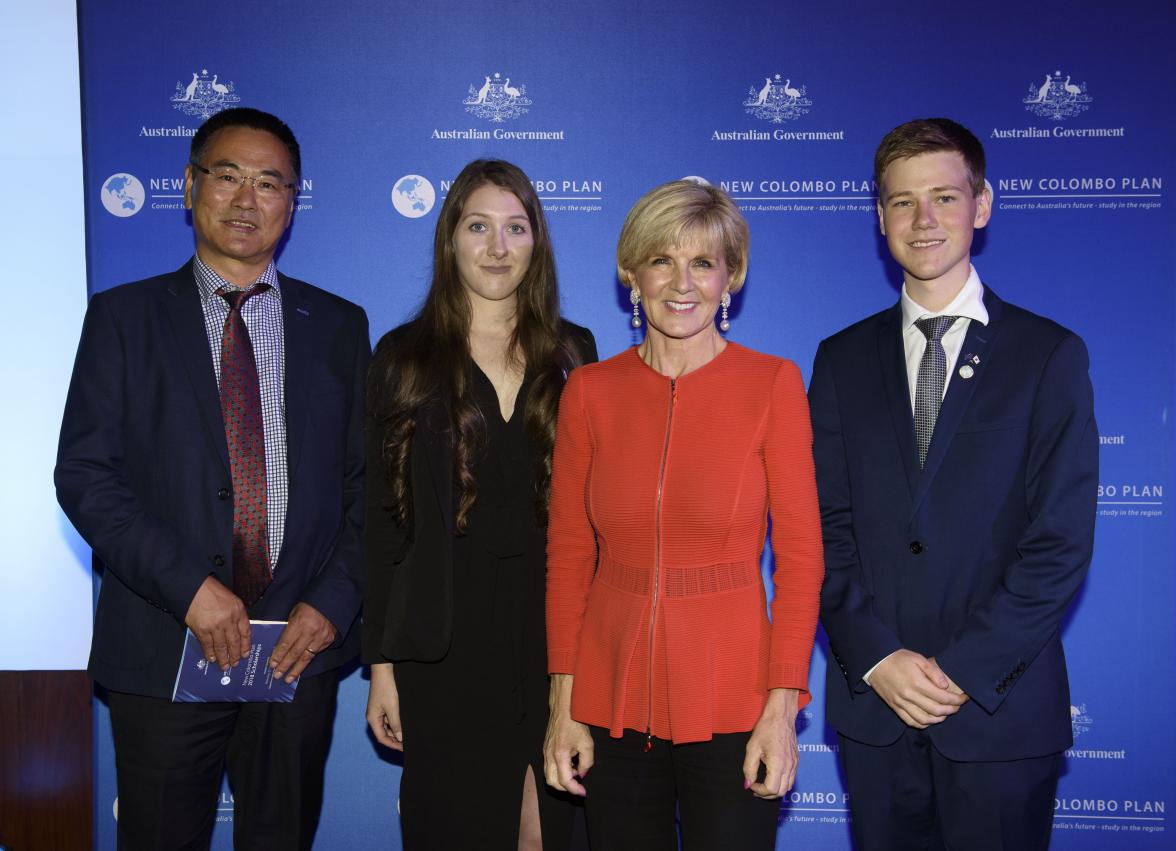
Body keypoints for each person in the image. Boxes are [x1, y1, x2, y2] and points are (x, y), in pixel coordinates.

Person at [54, 107, 369, 850]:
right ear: (189, 186)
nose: (246, 199)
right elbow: (86, 475)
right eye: (227, 176)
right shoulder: (123, 318)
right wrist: (191, 589)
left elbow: (371, 490)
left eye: (270, 182)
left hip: (298, 652)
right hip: (164, 646)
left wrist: (333, 603)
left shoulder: (339, 325)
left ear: (293, 201)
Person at [810, 118, 1097, 850]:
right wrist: (878, 658)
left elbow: (1059, 544)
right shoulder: (839, 361)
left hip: (1000, 713)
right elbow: (823, 531)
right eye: (902, 202)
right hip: (877, 711)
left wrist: (961, 669)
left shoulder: (1048, 355)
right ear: (880, 218)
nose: (924, 220)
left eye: (944, 196)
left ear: (983, 204)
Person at [542, 180, 824, 849]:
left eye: (703, 262)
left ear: (732, 277)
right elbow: (570, 556)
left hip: (735, 697)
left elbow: (803, 558)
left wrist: (782, 709)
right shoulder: (589, 391)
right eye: (661, 259)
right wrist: (565, 704)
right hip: (609, 701)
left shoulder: (773, 384)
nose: (682, 281)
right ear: (631, 273)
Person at [363, 159, 597, 850]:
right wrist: (382, 667)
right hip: (442, 643)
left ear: (537, 242)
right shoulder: (402, 357)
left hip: (551, 631)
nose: (497, 247)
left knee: (548, 829)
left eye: (515, 228)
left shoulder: (574, 351)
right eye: (478, 226)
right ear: (450, 240)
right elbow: (380, 526)